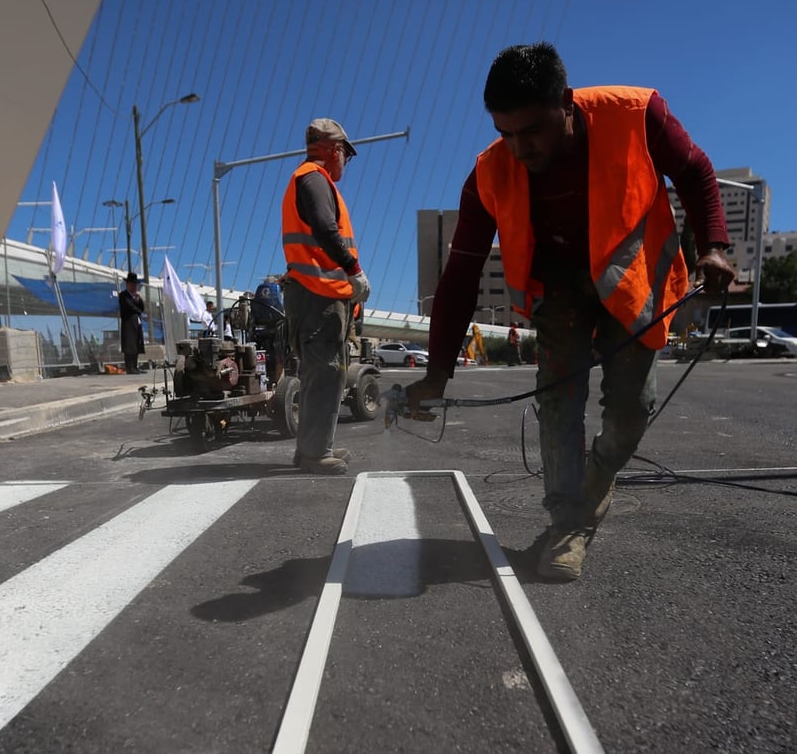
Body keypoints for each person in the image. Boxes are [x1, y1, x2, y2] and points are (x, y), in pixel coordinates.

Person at [404, 42, 735, 581]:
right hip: (555, 289)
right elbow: (460, 276)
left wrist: (714, 247)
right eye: (503, 133)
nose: (518, 147)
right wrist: (437, 372)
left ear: (565, 103)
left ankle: (595, 481)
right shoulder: (488, 173)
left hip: (632, 281)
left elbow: (696, 172)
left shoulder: (636, 115)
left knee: (631, 409)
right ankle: (568, 523)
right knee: (558, 404)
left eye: (530, 131)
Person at [281, 118, 372, 475]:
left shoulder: (307, 180)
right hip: (319, 295)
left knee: (320, 373)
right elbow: (324, 226)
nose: (344, 163)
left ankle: (314, 446)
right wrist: (353, 269)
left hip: (314, 292)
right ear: (334, 149)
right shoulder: (315, 179)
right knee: (328, 372)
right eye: (345, 156)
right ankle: (316, 453)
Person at [117, 272, 145, 374]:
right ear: (127, 284)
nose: (134, 286)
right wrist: (137, 308)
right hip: (128, 323)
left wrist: (139, 299)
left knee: (136, 344)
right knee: (130, 345)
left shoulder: (135, 296)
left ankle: (135, 366)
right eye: (132, 284)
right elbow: (130, 307)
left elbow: (141, 308)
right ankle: (129, 367)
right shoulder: (123, 295)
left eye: (135, 284)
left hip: (136, 323)